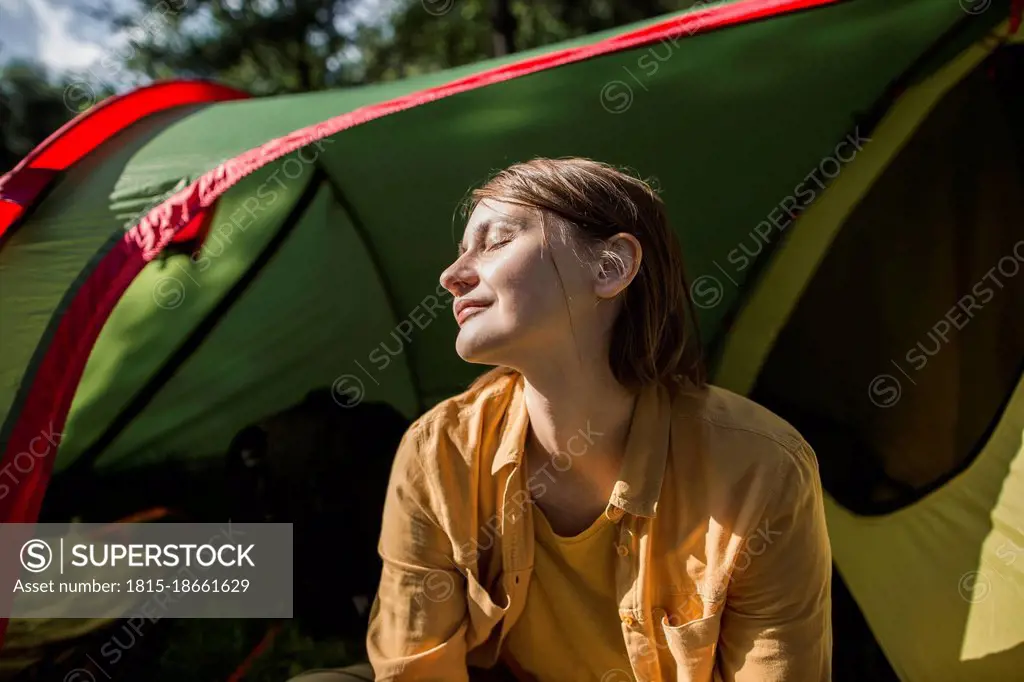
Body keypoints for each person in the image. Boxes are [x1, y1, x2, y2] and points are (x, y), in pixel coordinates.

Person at [290, 157, 832, 682]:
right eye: (461, 252)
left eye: (496, 240)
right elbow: (415, 672)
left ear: (610, 267)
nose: (451, 276)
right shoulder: (439, 453)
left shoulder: (760, 468)